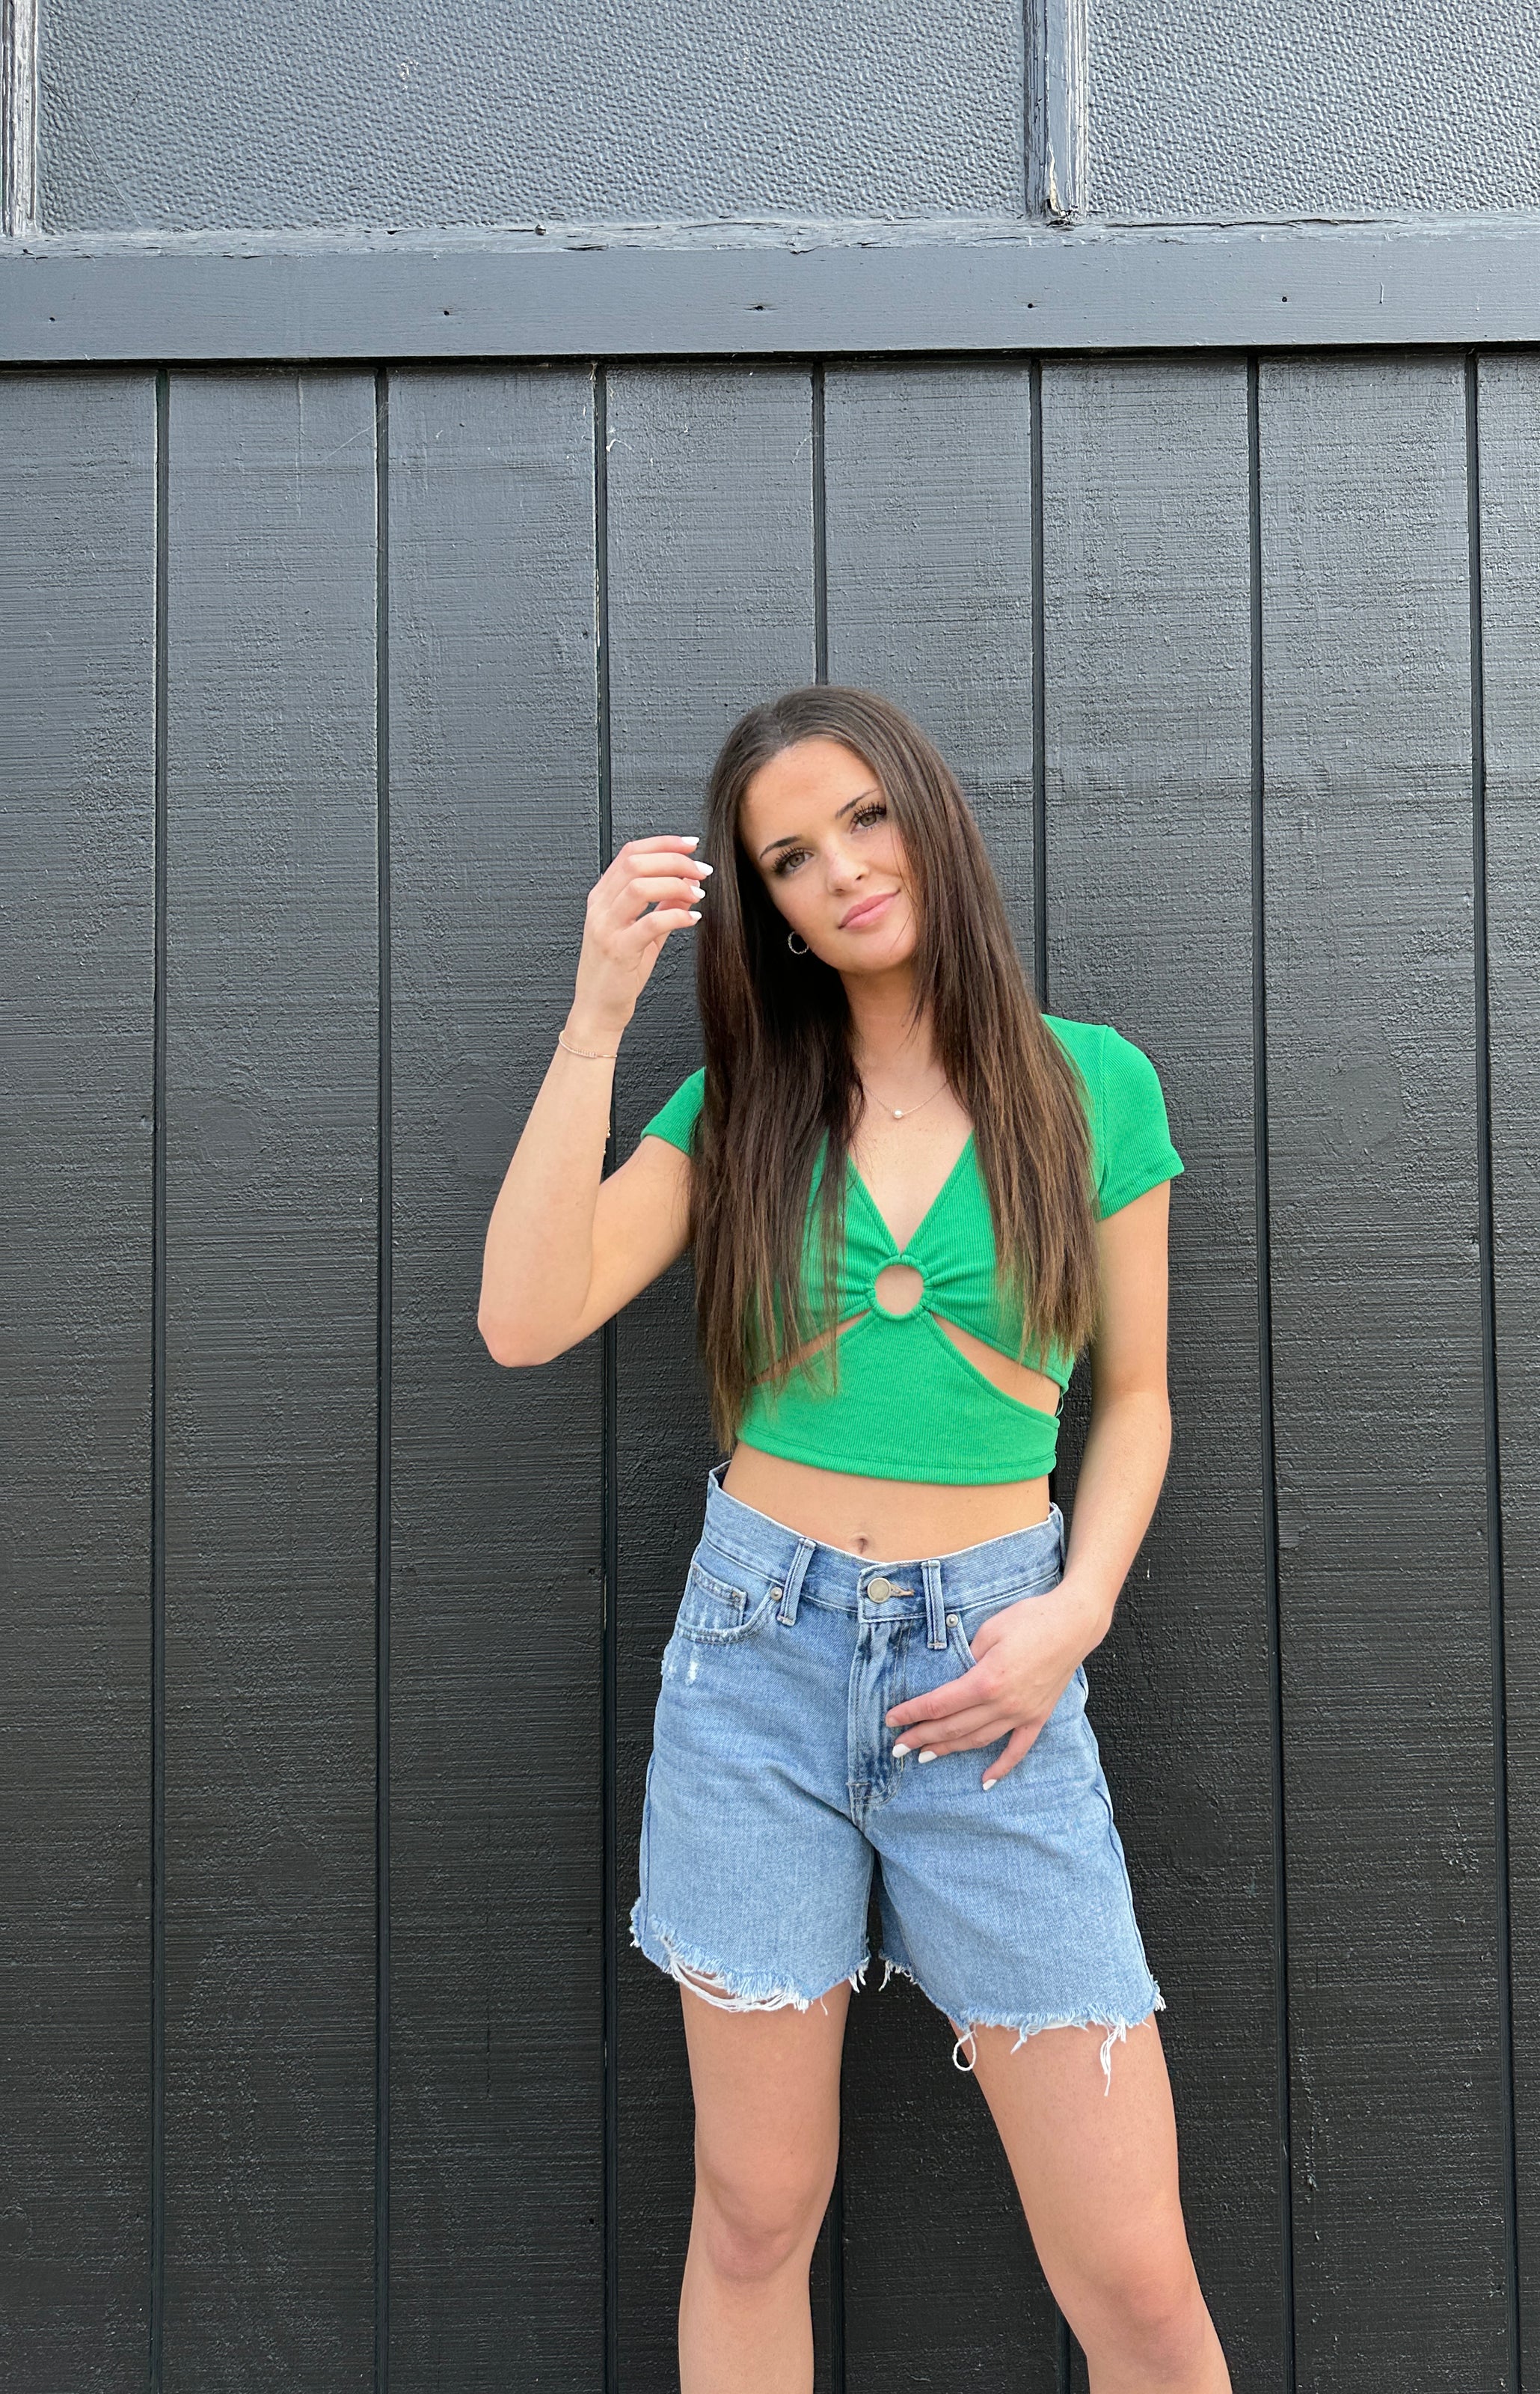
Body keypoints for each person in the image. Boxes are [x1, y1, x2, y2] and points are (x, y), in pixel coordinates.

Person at [478, 685, 1232, 2393]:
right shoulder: (743, 1102)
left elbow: (1138, 1402)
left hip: (999, 1675)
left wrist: (1077, 1611)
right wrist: (598, 1015)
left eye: (866, 818)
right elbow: (523, 1317)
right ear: (772, 910)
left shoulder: (1092, 1084)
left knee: (1133, 2268)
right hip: (758, 1663)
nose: (844, 871)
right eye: (791, 859)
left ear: (929, 816)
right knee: (754, 2214)